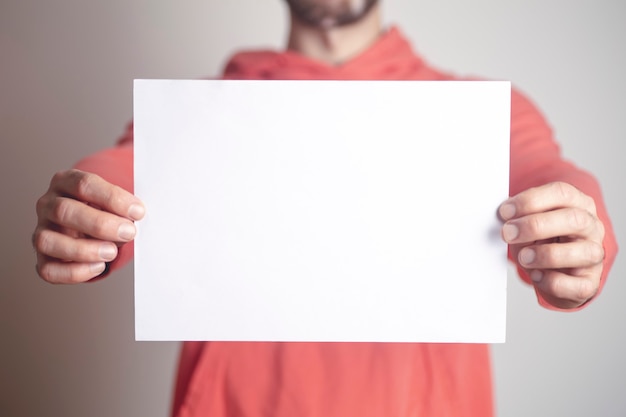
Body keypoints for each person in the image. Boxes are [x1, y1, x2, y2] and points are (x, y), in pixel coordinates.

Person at [32, 1, 618, 416]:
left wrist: (583, 229)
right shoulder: (194, 116)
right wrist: (86, 207)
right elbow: (125, 170)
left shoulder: (482, 114)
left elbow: (546, 170)